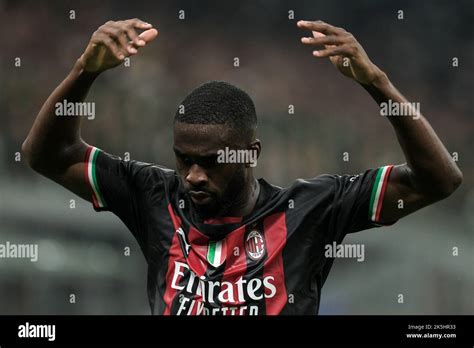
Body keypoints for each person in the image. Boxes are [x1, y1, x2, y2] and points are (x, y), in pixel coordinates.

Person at [22, 18, 462, 315]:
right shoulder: (152, 194)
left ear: (250, 154)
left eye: (212, 163)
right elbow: (46, 155)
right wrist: (85, 71)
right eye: (184, 159)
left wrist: (377, 83)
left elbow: (438, 179)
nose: (194, 176)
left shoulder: (311, 209)